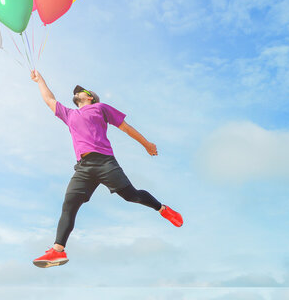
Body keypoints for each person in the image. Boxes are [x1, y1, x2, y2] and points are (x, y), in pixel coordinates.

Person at [30, 70, 183, 268]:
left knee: (132, 196)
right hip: (83, 168)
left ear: (90, 97)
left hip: (105, 163)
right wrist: (39, 80)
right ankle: (57, 251)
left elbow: (125, 127)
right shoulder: (70, 115)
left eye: (82, 91)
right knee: (69, 204)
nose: (77, 92)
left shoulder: (100, 108)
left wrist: (146, 144)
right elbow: (49, 100)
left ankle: (163, 209)